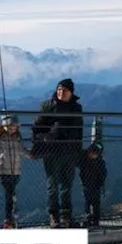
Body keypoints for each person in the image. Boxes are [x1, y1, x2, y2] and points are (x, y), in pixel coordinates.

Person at [32, 78, 84, 228]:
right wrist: (40, 145)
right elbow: (37, 127)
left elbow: (78, 131)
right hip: (51, 151)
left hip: (69, 151)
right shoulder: (47, 106)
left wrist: (78, 151)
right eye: (59, 90)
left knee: (66, 185)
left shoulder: (76, 108)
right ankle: (54, 216)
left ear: (71, 92)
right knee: (53, 185)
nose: (61, 93)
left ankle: (66, 217)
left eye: (64, 90)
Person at [78, 119, 107, 228]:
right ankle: (89, 217)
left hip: (95, 183)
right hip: (87, 183)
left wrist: (101, 181)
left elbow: (103, 173)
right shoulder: (86, 160)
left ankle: (95, 219)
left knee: (95, 202)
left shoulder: (99, 161)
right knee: (88, 201)